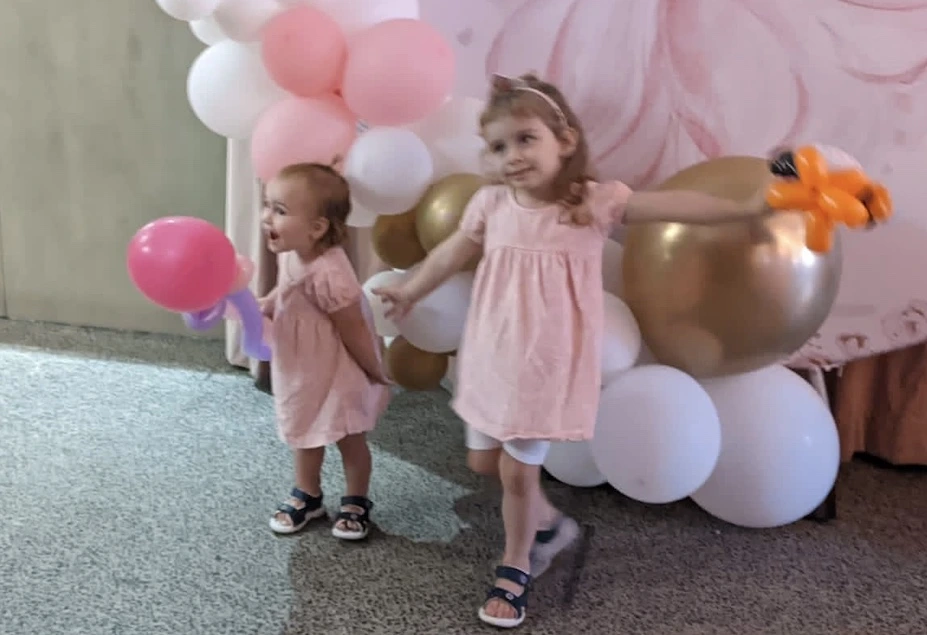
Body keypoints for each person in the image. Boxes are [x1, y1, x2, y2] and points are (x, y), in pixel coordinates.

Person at [373, 73, 770, 629]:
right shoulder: (489, 204)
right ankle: (552, 526)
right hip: (493, 353)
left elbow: (677, 204)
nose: (512, 155)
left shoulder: (592, 202)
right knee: (483, 461)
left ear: (564, 140)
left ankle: (515, 567)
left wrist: (748, 205)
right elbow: (449, 255)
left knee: (516, 472)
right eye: (498, 146)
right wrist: (410, 290)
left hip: (545, 362)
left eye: (525, 138)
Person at [258, 162, 391, 541]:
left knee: (349, 435)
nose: (267, 217)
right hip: (302, 365)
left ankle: (356, 499)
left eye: (280, 211)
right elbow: (286, 291)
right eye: (268, 205)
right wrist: (265, 304)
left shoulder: (330, 274)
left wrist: (374, 370)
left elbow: (354, 329)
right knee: (303, 430)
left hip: (339, 367)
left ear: (317, 228)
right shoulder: (290, 251)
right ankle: (308, 494)